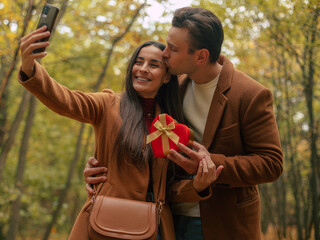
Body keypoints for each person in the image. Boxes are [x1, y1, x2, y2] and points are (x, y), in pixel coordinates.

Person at [84, 7, 283, 240]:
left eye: (173, 48)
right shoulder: (170, 87)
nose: (164, 53)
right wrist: (103, 169)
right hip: (163, 218)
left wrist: (211, 167)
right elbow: (133, 127)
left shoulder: (250, 94)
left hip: (222, 223)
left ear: (200, 56)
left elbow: (272, 163)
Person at [18, 26, 223, 240]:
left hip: (154, 228)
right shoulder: (108, 104)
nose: (143, 68)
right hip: (105, 224)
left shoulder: (172, 125)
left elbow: (170, 189)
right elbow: (66, 100)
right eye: (138, 61)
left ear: (166, 78)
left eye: (154, 65)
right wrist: (30, 66)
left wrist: (197, 186)